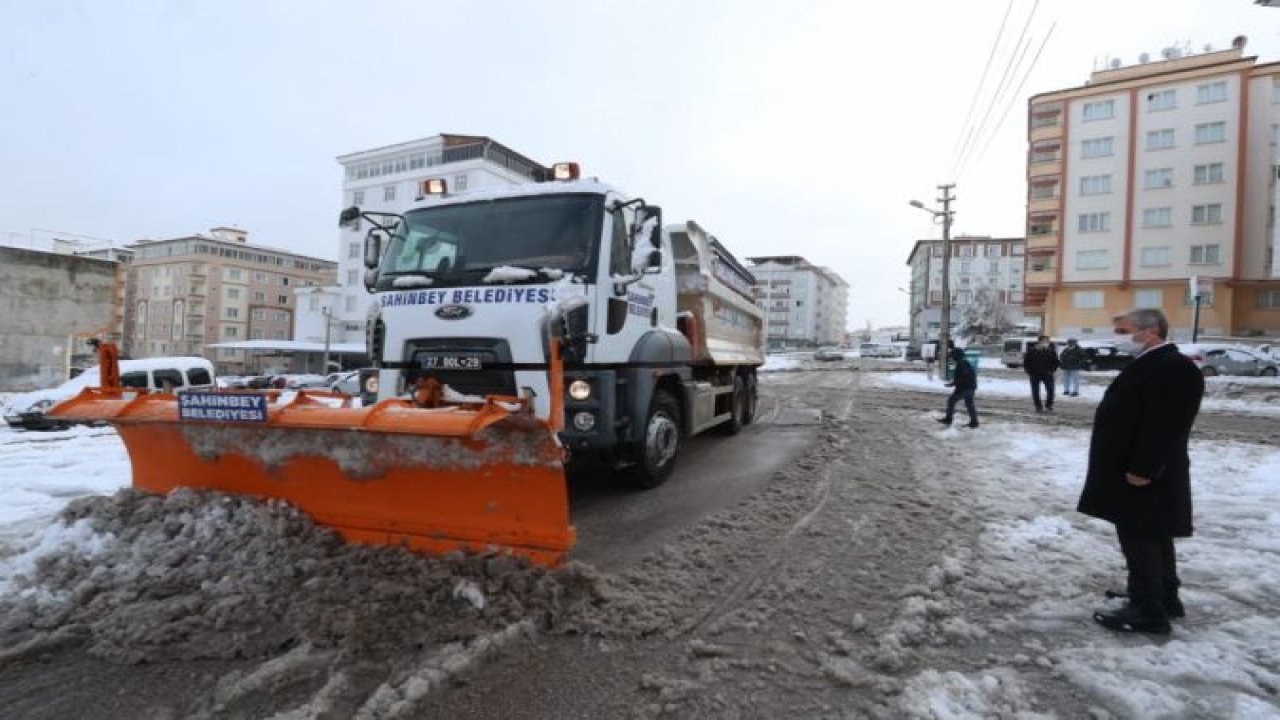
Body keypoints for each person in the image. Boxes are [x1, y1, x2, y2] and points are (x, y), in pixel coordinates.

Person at [1078, 309, 1203, 635]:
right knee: (1155, 533)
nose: (1117, 337)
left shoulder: (1174, 368)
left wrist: (1144, 468)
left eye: (1123, 331)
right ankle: (1164, 596)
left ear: (1151, 331)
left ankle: (1147, 610)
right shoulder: (1153, 363)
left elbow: (1165, 425)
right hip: (1138, 470)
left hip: (1145, 474)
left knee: (1140, 538)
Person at [936, 346, 978, 428]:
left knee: (951, 401)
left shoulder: (961, 364)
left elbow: (962, 378)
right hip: (971, 387)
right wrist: (953, 383)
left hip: (964, 388)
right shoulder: (965, 363)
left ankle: (948, 419)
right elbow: (965, 377)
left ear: (956, 356)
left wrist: (954, 384)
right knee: (969, 404)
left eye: (953, 356)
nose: (952, 358)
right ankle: (974, 422)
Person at [1023, 335, 1060, 412]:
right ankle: (1038, 406)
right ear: (1039, 342)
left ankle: (1049, 405)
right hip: (1035, 374)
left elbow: (1056, 362)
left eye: (1047, 341)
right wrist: (1030, 371)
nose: (1045, 343)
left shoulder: (1051, 351)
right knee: (1035, 391)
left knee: (1050, 390)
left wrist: (1052, 370)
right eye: (1044, 341)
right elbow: (1026, 363)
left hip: (1048, 374)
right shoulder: (1032, 351)